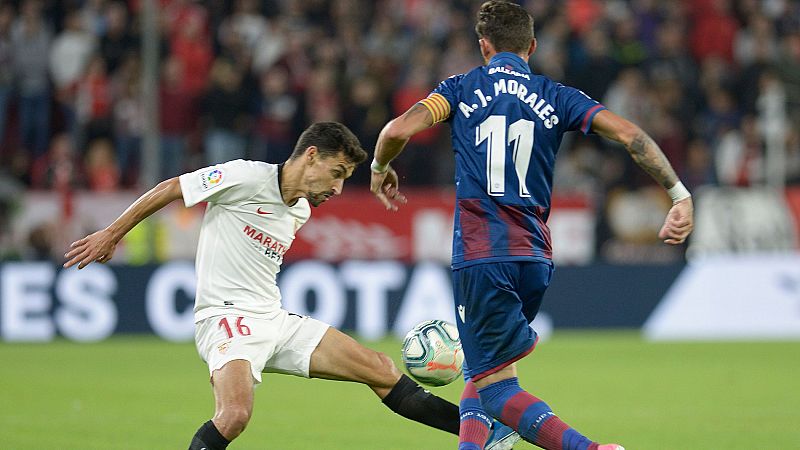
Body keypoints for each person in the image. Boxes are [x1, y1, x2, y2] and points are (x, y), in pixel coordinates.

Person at [63, 122, 518, 450]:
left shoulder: (299, 208)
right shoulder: (244, 177)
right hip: (225, 317)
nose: (338, 189)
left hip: (273, 319)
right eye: (338, 173)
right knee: (236, 415)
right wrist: (112, 234)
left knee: (379, 368)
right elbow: (170, 188)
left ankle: (481, 433)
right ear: (312, 156)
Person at [369, 2, 694, 450]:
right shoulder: (558, 95)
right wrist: (678, 193)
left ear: (484, 46)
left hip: (483, 255)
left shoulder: (460, 88)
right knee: (486, 370)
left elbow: (395, 131)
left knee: (498, 391)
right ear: (533, 46)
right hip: (534, 257)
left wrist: (379, 166)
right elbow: (632, 137)